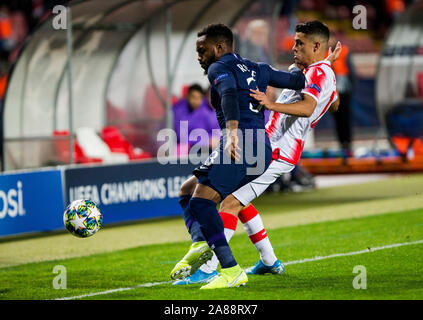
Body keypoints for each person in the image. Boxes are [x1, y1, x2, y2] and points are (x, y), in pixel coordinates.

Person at [174, 20, 341, 285]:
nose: (293, 47)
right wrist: (326, 68)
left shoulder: (319, 73)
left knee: (228, 202)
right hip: (267, 143)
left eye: (299, 43)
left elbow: (309, 108)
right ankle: (268, 261)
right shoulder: (315, 72)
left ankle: (211, 269)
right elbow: (333, 102)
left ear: (317, 46)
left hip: (278, 151)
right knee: (232, 198)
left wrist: (270, 102)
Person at [172, 83, 220, 155]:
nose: (195, 101)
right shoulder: (179, 110)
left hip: (203, 146)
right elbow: (183, 138)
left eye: (198, 98)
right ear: (187, 96)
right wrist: (207, 141)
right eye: (193, 97)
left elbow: (215, 129)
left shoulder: (207, 108)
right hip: (184, 147)